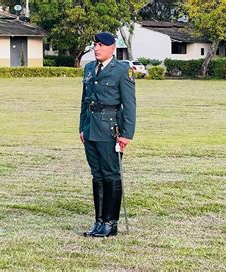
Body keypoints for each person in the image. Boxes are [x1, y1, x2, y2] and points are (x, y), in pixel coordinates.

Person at [79, 32, 136, 237]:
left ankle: (111, 223)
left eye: (101, 45)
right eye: (95, 45)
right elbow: (85, 101)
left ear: (113, 48)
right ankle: (99, 221)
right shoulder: (88, 68)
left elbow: (129, 105)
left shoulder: (122, 70)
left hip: (110, 130)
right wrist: (82, 128)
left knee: (111, 175)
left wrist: (126, 135)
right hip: (91, 129)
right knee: (97, 175)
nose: (96, 48)